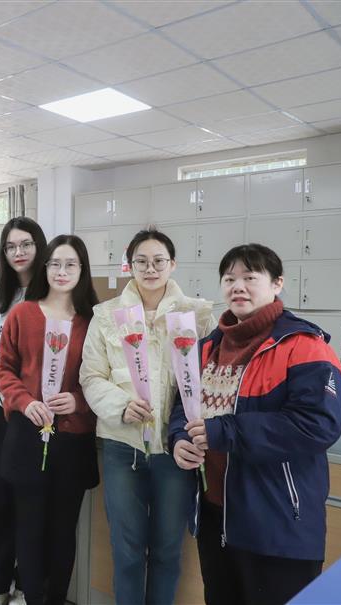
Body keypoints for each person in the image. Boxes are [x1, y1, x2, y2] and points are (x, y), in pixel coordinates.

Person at [169, 244, 341, 605]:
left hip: (277, 524)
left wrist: (223, 431)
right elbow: (182, 408)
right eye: (229, 278)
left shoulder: (303, 346)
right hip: (216, 518)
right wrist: (178, 439)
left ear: (277, 283)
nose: (238, 286)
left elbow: (317, 425)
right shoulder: (205, 348)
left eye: (250, 277)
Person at [80, 228, 215, 605]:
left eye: (158, 261)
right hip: (123, 448)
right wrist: (120, 406)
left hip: (175, 451)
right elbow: (91, 375)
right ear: (130, 266)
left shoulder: (197, 315)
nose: (150, 268)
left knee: (168, 550)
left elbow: (210, 377)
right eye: (141, 261)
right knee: (126, 550)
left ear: (173, 264)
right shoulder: (107, 315)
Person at [0, 235, 100, 605]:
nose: (61, 271)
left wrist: (79, 400)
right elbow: (4, 369)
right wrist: (24, 402)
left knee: (63, 529)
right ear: (45, 268)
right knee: (30, 527)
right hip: (28, 435)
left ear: (82, 270)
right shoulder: (22, 314)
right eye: (55, 263)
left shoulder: (94, 321)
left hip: (73, 440)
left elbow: (104, 377)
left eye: (70, 264)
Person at [0, 217, 48, 605]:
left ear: (39, 247)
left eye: (25, 244)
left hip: (35, 413)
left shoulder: (50, 294)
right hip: (2, 409)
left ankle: (28, 579)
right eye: (10, 246)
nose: (18, 252)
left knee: (31, 502)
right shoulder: (2, 299)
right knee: (0, 497)